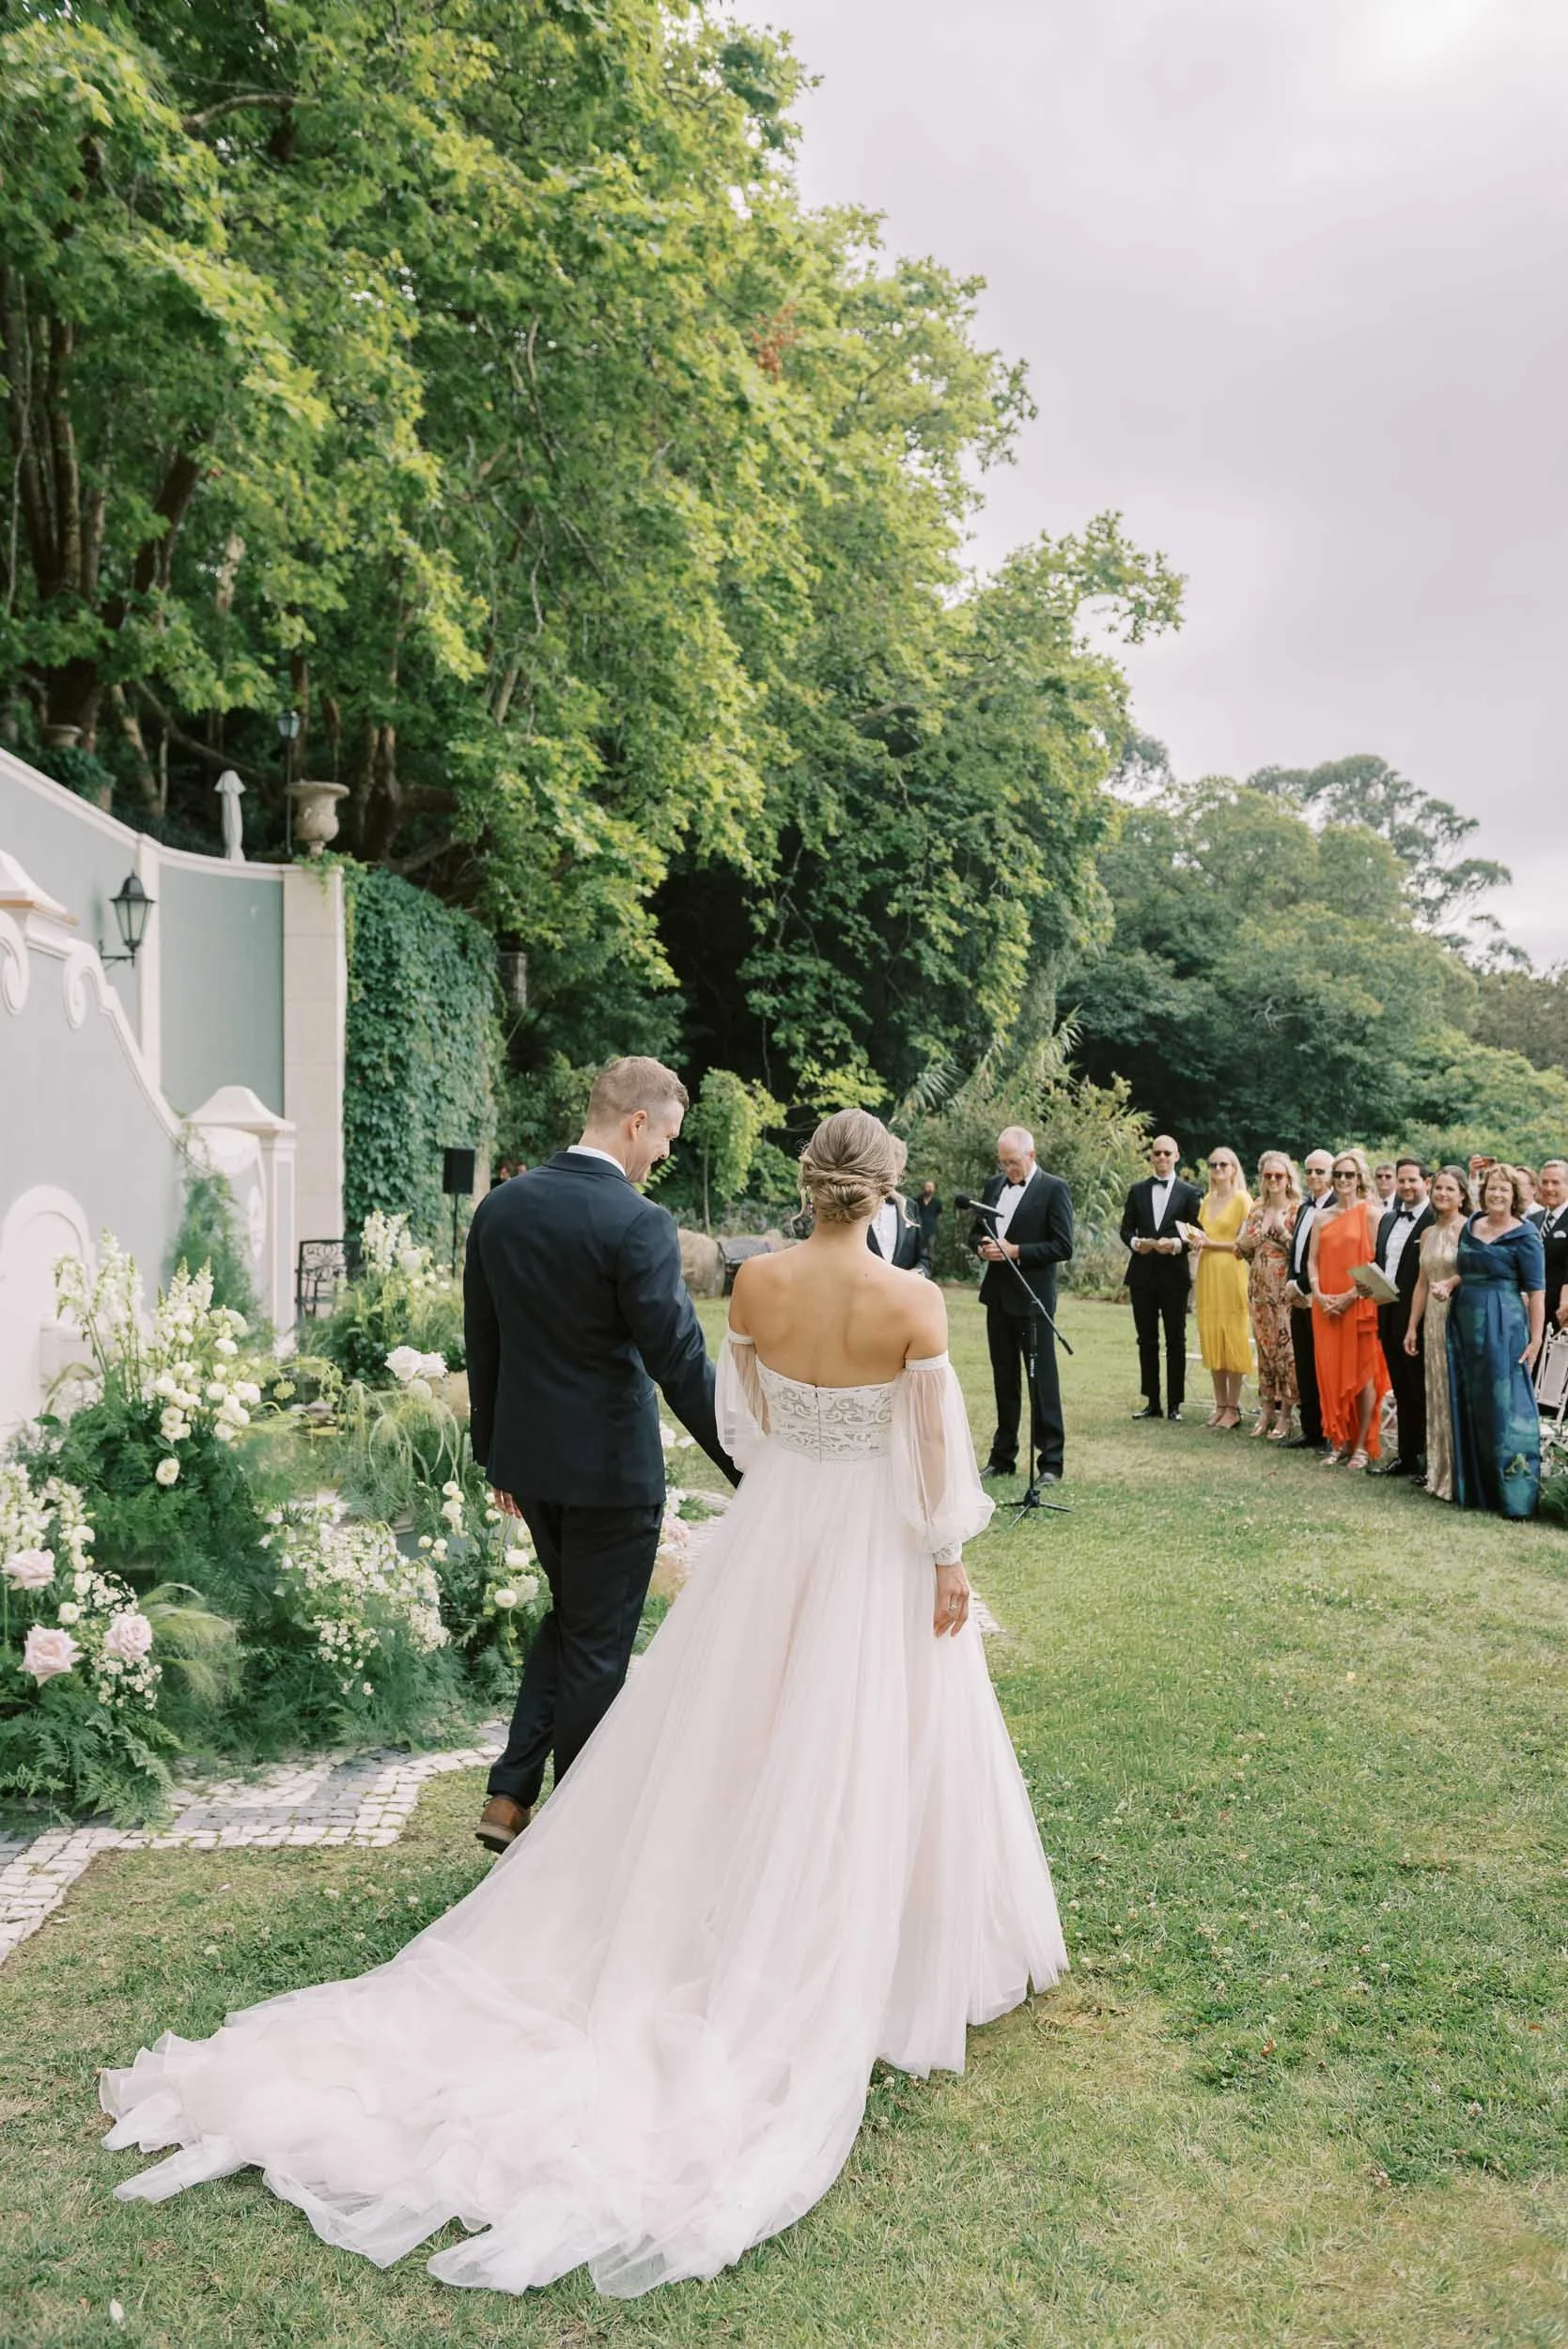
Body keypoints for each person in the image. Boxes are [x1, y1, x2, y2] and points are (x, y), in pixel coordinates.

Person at [101, 1110, 1067, 2297]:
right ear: (887, 1191)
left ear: (810, 1183)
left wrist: (788, 1491)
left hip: (772, 1537)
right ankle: (876, 1940)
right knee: (871, 1734)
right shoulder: (914, 1304)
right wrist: (945, 1556)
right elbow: (936, 1459)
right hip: (868, 1543)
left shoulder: (756, 1284)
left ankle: (724, 1897)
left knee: (733, 1727)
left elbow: (738, 1425)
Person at [461, 1057, 738, 1854]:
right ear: (635, 1123)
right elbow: (679, 1359)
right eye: (666, 1139)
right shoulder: (637, 1223)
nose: (663, 1158)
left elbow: (484, 1343)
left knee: (575, 1620)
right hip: (611, 1478)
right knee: (596, 1648)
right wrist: (747, 1467)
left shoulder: (501, 1209)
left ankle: (509, 1797)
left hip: (534, 1469)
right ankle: (577, 1842)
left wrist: (497, 1458)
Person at [970, 1126, 1074, 1484]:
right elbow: (976, 1230)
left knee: (1042, 1380)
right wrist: (983, 1246)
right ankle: (1003, 1455)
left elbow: (1063, 1246)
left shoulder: (1054, 1188)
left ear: (1031, 1155)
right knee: (1004, 1378)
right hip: (997, 1297)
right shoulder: (994, 1186)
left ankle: (1051, 1461)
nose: (1008, 1170)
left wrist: (1016, 1251)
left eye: (1013, 1162)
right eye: (1003, 1163)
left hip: (1033, 1300)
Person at [1448, 1162, 1546, 1518]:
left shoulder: (1526, 1236)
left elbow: (1537, 1292)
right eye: (1492, 1188)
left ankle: (1514, 1497)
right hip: (1463, 1323)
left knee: (1506, 1406)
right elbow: (1465, 1269)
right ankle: (1475, 1488)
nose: (1497, 1194)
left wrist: (1535, 1340)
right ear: (1483, 1191)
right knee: (1470, 1400)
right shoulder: (1471, 1226)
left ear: (1515, 1195)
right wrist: (1450, 1284)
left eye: (1504, 1189)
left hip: (1505, 1325)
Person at [1308, 1148, 1389, 1469]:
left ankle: (1361, 1446)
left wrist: (1348, 1297)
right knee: (1330, 1371)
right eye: (1338, 1174)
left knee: (1363, 1373)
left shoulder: (1371, 1214)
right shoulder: (1321, 1217)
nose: (1342, 1180)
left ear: (1359, 1179)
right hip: (1325, 1304)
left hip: (1359, 1303)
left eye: (1349, 1175)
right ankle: (1338, 1440)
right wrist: (1318, 1292)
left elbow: (1376, 1264)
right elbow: (1312, 1261)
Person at [1119, 1133, 1202, 1423]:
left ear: (1177, 1156)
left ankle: (1175, 1404)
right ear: (1151, 1157)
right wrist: (1135, 1244)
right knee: (1146, 1339)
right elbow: (1126, 1229)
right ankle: (1152, 1401)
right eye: (1157, 1153)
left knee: (1175, 1339)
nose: (1162, 1158)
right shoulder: (1137, 1190)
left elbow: (1197, 1233)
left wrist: (1176, 1245)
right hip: (1142, 1275)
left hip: (1174, 1275)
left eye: (1167, 1153)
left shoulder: (1189, 1193)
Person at [1403, 1164, 1472, 1502]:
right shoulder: (1428, 1234)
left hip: (1457, 1316)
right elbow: (1421, 1284)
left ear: (1462, 1195)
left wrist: (1453, 1282)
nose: (1442, 1194)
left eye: (1449, 1189)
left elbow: (1475, 1272)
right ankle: (1437, 1470)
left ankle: (1459, 1474)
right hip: (1431, 1318)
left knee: (1453, 1391)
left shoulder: (1469, 1229)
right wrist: (1412, 1326)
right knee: (1434, 1391)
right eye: (1438, 1188)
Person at [1369, 1157, 1434, 1481]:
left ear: (1427, 1183)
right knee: (1401, 1390)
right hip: (1387, 1314)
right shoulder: (1387, 1219)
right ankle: (1406, 1457)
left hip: (1421, 1319)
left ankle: (1429, 1461)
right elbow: (1380, 1261)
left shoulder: (1436, 1220)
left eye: (1413, 1180)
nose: (1406, 1186)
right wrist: (1367, 1281)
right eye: (1402, 1180)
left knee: (1422, 1391)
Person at [1187, 1145, 1252, 1430]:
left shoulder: (1242, 1200)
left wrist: (1208, 1244)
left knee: (1232, 1337)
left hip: (1231, 1272)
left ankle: (1234, 1407)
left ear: (1233, 1168)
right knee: (1212, 1336)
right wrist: (1193, 1241)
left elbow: (1243, 1244)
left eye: (1223, 1165)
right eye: (1213, 1165)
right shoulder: (1207, 1200)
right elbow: (1200, 1234)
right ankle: (1220, 1404)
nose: (1217, 1170)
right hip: (1208, 1273)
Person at [1235, 1151, 1300, 1439]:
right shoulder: (1256, 1211)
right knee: (1264, 1350)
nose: (1273, 1180)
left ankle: (1286, 1414)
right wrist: (1245, 1243)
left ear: (1288, 1179)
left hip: (1283, 1291)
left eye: (1279, 1176)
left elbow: (1302, 1253)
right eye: (1268, 1176)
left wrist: (1283, 1237)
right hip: (1258, 1290)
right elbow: (1241, 1251)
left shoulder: (1297, 1210)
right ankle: (1266, 1411)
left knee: (1286, 1353)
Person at [1283, 1148, 1334, 1451]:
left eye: (1320, 1171)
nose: (1313, 1176)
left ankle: (1329, 1430)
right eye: (1310, 1171)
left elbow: (1326, 1258)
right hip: (1299, 1296)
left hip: (1321, 1295)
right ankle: (1310, 1429)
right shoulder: (1304, 1208)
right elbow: (1296, 1253)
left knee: (1323, 1365)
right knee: (1303, 1364)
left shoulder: (1336, 1209)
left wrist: (1302, 1286)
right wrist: (1292, 1281)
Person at [867, 1139, 924, 1269]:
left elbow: (923, 1258)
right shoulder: (855, 1205)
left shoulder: (910, 1206)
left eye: (897, 1176)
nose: (892, 1182)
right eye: (886, 1175)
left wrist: (917, 1274)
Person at [1537, 1159, 1568, 1338]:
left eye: (1555, 1182)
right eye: (1545, 1182)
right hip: (1531, 1311)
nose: (1549, 1188)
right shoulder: (1532, 1220)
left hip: (1560, 1312)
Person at [914, 1178, 942, 1275]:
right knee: (917, 1252)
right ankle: (917, 1272)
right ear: (924, 1188)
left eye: (931, 1187)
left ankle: (929, 1274)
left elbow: (939, 1216)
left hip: (931, 1231)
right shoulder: (917, 1200)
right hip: (918, 1231)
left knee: (930, 1253)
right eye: (927, 1186)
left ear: (934, 1189)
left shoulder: (937, 1202)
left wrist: (936, 1227)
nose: (929, 1189)